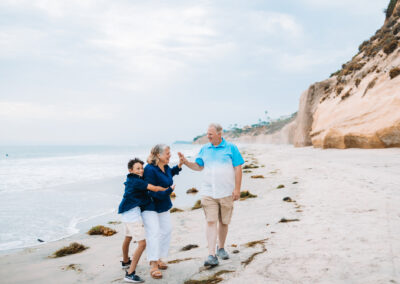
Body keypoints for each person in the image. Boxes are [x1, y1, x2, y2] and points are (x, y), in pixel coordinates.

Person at [178, 123, 244, 267]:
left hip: (226, 191)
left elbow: (238, 168)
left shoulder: (231, 148)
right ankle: (211, 255)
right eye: (207, 134)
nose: (208, 136)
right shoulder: (204, 149)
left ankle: (221, 248)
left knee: (224, 222)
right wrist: (187, 163)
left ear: (220, 134)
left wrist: (237, 189)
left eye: (211, 134)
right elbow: (199, 166)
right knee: (211, 221)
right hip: (208, 192)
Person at [118, 158, 173, 283]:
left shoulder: (132, 179)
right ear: (130, 170)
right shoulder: (137, 181)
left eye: (142, 168)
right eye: (138, 168)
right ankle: (130, 274)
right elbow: (153, 188)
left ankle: (125, 261)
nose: (141, 170)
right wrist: (168, 189)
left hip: (126, 213)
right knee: (142, 244)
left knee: (128, 238)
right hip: (132, 215)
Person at [141, 144, 182, 279]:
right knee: (153, 233)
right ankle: (153, 264)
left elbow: (170, 174)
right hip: (150, 206)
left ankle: (159, 258)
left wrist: (180, 165)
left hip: (163, 204)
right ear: (158, 155)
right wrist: (169, 191)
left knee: (166, 230)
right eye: (167, 153)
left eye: (169, 153)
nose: (170, 155)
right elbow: (151, 192)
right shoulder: (149, 170)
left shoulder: (165, 167)